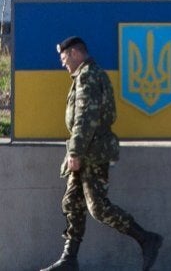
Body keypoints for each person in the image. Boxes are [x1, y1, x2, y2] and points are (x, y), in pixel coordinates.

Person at [41, 36, 163, 271]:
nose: (62, 62)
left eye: (64, 57)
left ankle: (147, 239)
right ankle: (69, 258)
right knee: (73, 203)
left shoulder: (89, 76)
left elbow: (85, 117)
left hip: (92, 152)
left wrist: (75, 151)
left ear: (75, 53)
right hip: (85, 150)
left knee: (98, 207)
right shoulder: (84, 76)